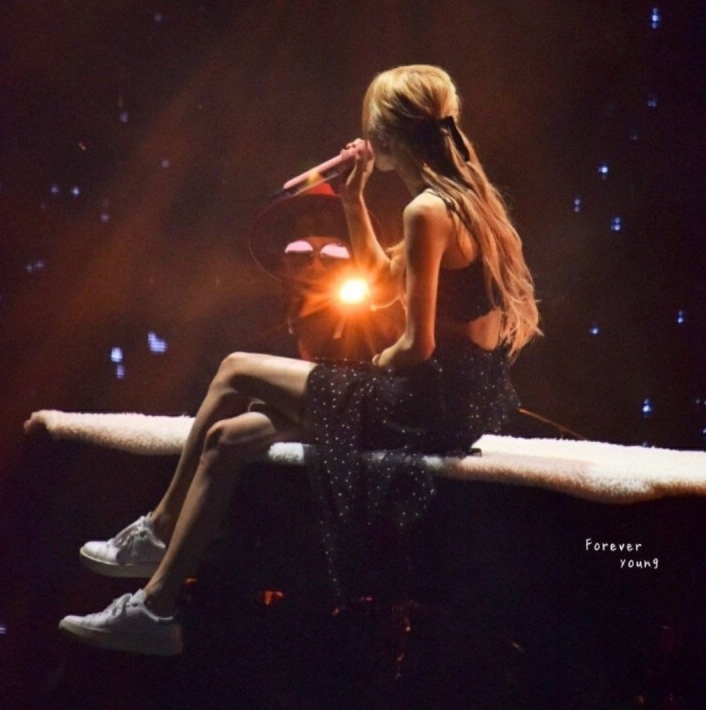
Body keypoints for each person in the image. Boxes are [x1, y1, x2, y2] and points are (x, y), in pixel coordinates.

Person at [58, 64, 540, 656]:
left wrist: (364, 372)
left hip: (424, 404)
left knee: (236, 368)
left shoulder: (426, 212)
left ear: (386, 134)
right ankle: (155, 609)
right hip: (452, 403)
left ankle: (156, 531)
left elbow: (416, 348)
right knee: (229, 438)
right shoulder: (465, 204)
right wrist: (354, 198)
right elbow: (381, 287)